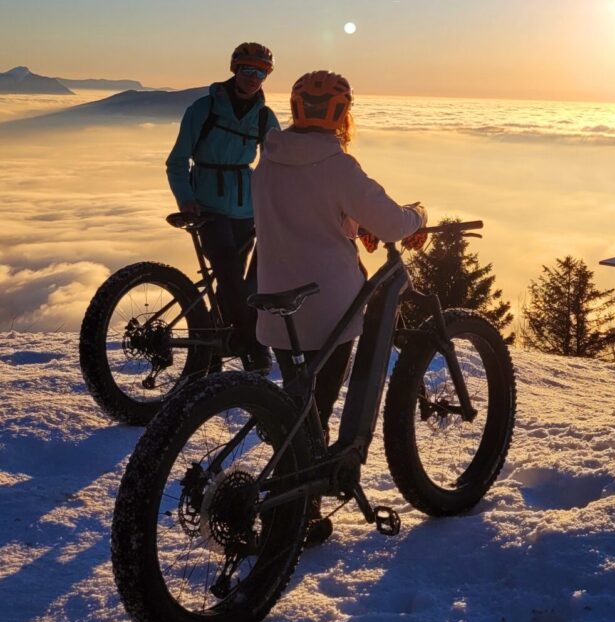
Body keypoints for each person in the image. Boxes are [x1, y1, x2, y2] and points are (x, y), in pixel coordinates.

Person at [252, 69, 425, 544]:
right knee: (319, 407)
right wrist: (419, 215)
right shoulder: (338, 165)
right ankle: (296, 511)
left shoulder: (267, 161)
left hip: (274, 306)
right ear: (342, 114)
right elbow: (392, 223)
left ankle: (295, 496)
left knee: (297, 405)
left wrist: (348, 223)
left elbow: (303, 218)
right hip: (330, 309)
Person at [165, 42, 280, 373]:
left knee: (240, 283)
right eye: (247, 69)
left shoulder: (264, 117)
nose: (253, 77)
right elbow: (176, 161)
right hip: (207, 208)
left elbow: (277, 165)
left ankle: (215, 346)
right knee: (229, 273)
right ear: (234, 69)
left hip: (246, 208)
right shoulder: (204, 109)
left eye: (261, 72)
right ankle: (253, 347)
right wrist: (186, 200)